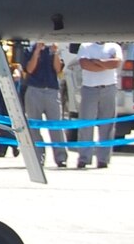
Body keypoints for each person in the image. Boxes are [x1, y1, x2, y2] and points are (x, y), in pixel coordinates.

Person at [75, 41, 123, 169]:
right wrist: (105, 64)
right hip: (90, 88)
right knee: (86, 124)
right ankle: (84, 158)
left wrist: (97, 62)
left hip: (109, 87)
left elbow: (116, 63)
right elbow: (85, 64)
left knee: (107, 125)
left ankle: (103, 159)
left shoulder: (114, 46)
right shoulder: (85, 46)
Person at [19, 39, 66, 169]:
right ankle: (38, 157)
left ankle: (61, 157)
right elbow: (29, 69)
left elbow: (58, 69)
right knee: (34, 127)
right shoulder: (29, 49)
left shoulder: (54, 49)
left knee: (56, 126)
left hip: (51, 90)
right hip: (34, 89)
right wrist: (37, 52)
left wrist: (55, 53)